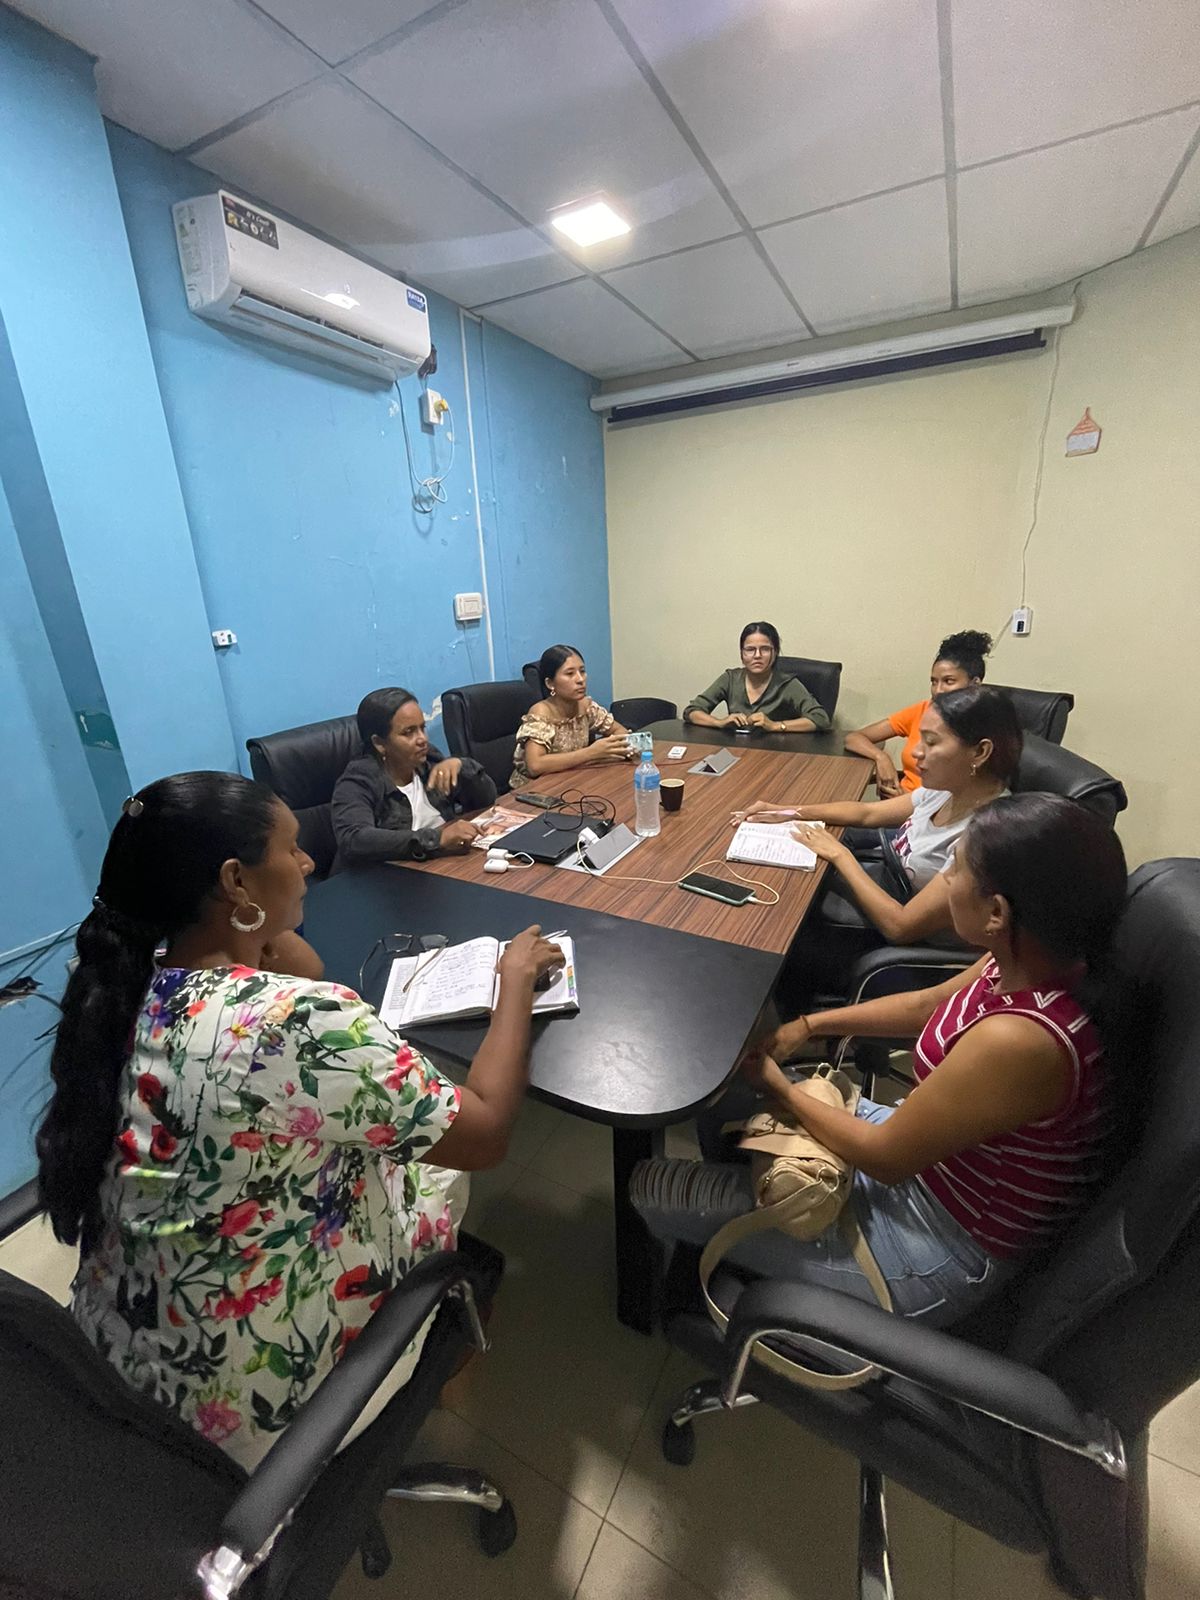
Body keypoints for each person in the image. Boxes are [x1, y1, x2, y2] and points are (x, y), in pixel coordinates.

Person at [36, 771, 562, 1470]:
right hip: (242, 1406)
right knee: (438, 1166)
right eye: (291, 849)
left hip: (115, 1365)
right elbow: (488, 1131)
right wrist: (514, 982)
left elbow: (304, 967)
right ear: (235, 881)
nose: (310, 861)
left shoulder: (127, 986)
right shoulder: (291, 1022)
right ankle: (431, 1371)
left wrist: (252, 928)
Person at [630, 793, 1127, 1328]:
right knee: (729, 1089)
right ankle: (749, 1203)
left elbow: (886, 1159)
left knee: (650, 1189)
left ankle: (706, 1279)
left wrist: (780, 1088)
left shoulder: (1020, 1040)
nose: (946, 879)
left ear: (997, 913)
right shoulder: (1019, 960)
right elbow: (926, 1005)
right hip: (923, 1163)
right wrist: (810, 1026)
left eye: (957, 869)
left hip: (931, 1245)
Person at [735, 686, 1022, 948]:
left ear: (980, 752)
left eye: (932, 742)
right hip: (889, 881)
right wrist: (786, 811)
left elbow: (900, 927)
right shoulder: (949, 789)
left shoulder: (983, 837)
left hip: (905, 937)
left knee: (784, 912)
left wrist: (840, 854)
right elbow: (867, 813)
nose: (916, 752)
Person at [332, 686, 496, 869]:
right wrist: (437, 839)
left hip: (442, 865)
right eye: (408, 732)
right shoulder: (359, 780)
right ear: (379, 743)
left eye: (422, 728)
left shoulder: (429, 759)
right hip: (386, 877)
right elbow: (354, 839)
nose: (422, 739)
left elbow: (486, 800)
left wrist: (462, 766)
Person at [845, 628, 992, 797]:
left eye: (948, 681)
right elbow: (853, 738)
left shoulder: (982, 728)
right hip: (898, 806)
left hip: (927, 811)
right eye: (934, 682)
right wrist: (881, 758)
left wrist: (904, 802)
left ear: (974, 684)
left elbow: (963, 799)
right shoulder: (925, 710)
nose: (938, 690)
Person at [510, 644, 633, 790]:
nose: (580, 679)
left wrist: (613, 748)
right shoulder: (541, 712)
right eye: (570, 674)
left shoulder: (585, 705)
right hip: (535, 790)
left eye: (582, 671)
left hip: (573, 780)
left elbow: (620, 731)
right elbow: (535, 765)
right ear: (550, 683)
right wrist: (591, 753)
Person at [684, 622, 831, 734]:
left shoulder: (787, 684)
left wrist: (775, 726)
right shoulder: (730, 679)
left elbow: (820, 718)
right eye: (750, 649)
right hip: (738, 750)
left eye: (765, 649)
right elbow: (692, 711)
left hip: (777, 753)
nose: (757, 655)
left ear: (775, 652)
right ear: (742, 654)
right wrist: (719, 722)